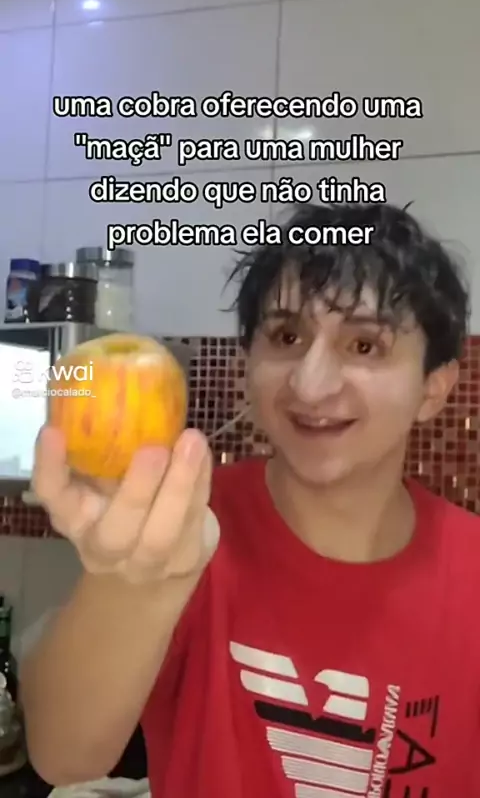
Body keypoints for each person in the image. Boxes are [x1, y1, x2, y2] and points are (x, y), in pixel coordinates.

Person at [20, 203, 480, 797]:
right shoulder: (185, 528)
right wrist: (134, 581)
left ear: (434, 389)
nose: (311, 384)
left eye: (365, 346)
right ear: (247, 364)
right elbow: (63, 756)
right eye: (286, 337)